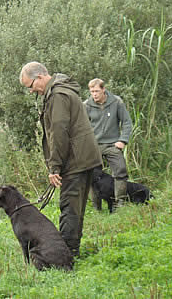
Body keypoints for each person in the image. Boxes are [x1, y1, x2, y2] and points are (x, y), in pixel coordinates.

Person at [19, 62, 102, 258]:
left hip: (75, 160)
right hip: (84, 157)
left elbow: (59, 132)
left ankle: (65, 257)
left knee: (69, 208)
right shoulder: (63, 89)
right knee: (77, 208)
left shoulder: (57, 95)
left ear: (39, 77)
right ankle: (73, 251)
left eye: (30, 86)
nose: (31, 91)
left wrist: (54, 167)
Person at [84, 78, 133, 211]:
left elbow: (127, 122)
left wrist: (123, 140)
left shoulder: (116, 102)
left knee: (121, 171)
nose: (94, 94)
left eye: (97, 91)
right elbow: (81, 127)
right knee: (91, 175)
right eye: (92, 91)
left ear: (103, 89)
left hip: (112, 144)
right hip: (94, 146)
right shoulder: (86, 105)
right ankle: (96, 207)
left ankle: (120, 204)